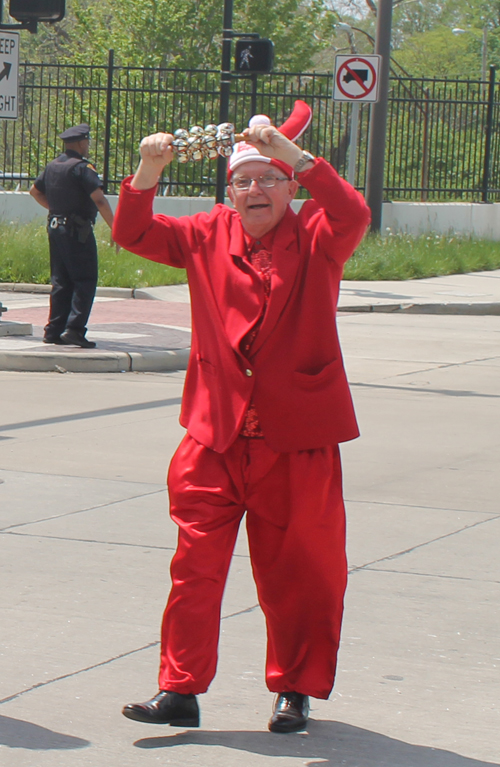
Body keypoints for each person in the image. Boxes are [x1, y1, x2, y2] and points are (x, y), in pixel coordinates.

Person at [112, 101, 371, 733]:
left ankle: (295, 688)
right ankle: (179, 689)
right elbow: (134, 234)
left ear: (288, 186)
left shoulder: (317, 236)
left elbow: (353, 211)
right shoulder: (205, 233)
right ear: (229, 192)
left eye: (268, 179)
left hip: (297, 437)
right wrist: (148, 171)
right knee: (195, 566)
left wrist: (298, 157)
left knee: (302, 573)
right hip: (214, 433)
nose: (255, 190)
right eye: (243, 181)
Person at [29, 123, 115, 348]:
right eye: (86, 142)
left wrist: (56, 209)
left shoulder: (53, 166)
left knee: (61, 281)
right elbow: (99, 199)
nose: (88, 146)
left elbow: (34, 191)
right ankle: (75, 330)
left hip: (55, 228)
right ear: (80, 143)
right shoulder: (82, 168)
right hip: (77, 232)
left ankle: (53, 331)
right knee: (84, 280)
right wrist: (115, 228)